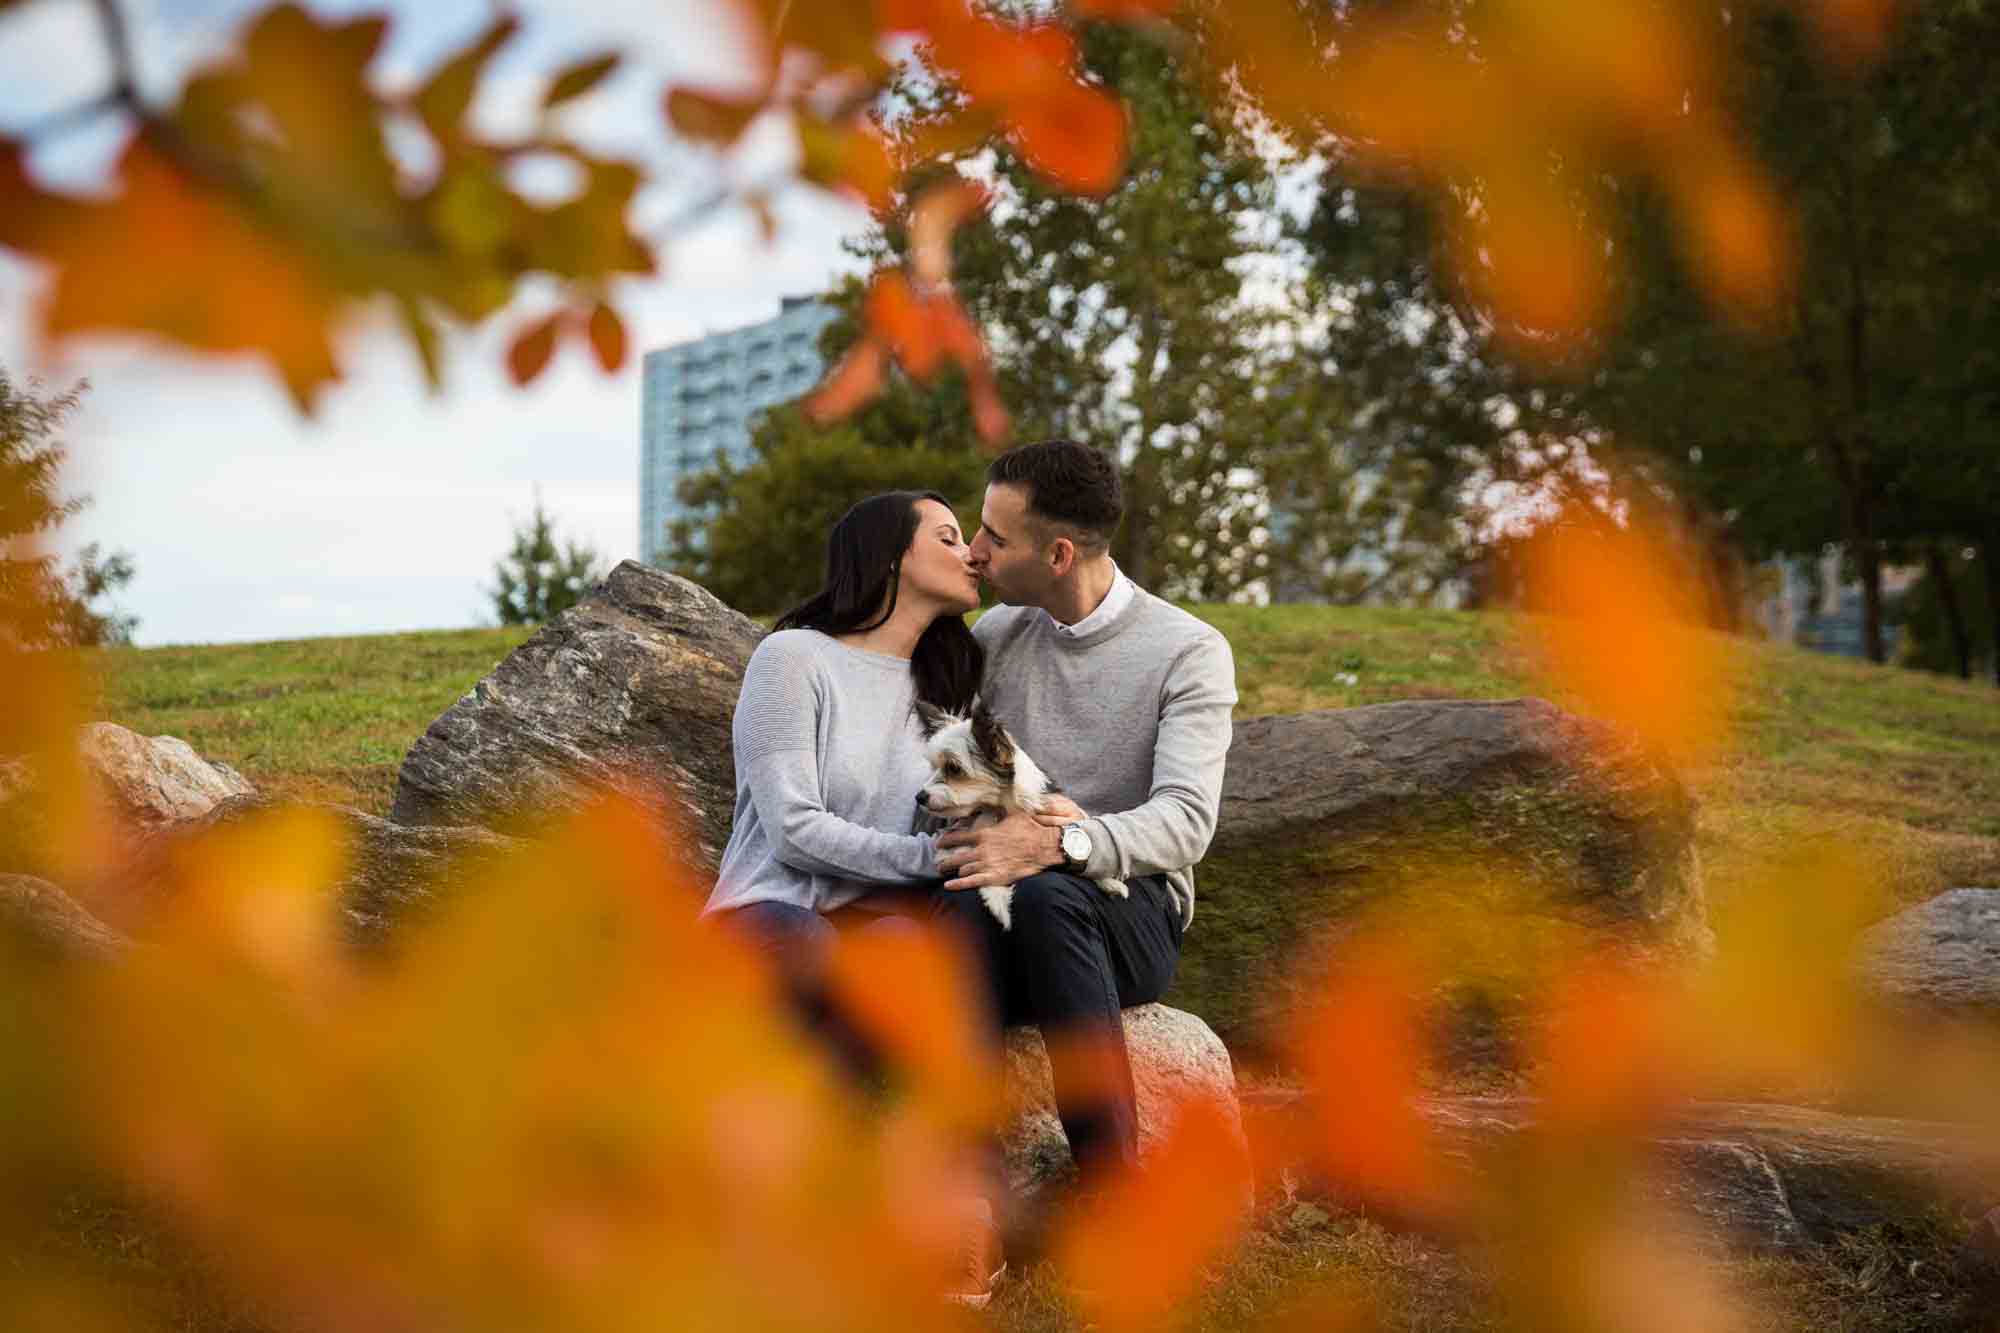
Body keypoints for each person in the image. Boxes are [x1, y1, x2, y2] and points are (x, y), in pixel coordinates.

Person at [934, 439, 1237, 1280]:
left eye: (994, 535)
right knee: (968, 896)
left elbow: (1184, 823)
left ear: (1058, 554)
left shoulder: (1188, 650)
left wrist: (1065, 840)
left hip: (1130, 912)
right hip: (1006, 916)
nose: (977, 551)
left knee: (1041, 895)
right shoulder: (995, 637)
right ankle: (968, 1209)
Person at [702, 489, 982, 1053]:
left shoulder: (947, 694)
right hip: (769, 916)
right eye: (947, 539)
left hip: (879, 924)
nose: (971, 553)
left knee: (910, 956)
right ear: (891, 555)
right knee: (812, 947)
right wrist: (929, 859)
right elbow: (794, 829)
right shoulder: (794, 658)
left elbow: (949, 822)